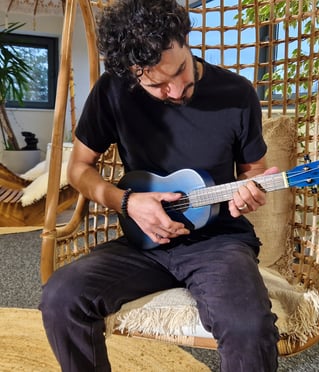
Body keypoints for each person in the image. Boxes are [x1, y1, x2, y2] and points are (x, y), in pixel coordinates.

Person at [40, 0, 280, 371]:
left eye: (180, 70)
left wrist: (250, 192)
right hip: (144, 242)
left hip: (217, 241)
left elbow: (254, 171)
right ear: (133, 75)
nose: (174, 90)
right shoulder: (113, 91)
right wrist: (127, 202)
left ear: (185, 40)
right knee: (61, 297)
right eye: (156, 84)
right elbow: (79, 169)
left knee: (249, 327)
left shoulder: (237, 93)